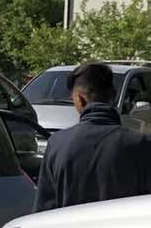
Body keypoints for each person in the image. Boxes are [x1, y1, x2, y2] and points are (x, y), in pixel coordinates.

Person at [33, 61, 151, 212]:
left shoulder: (57, 144)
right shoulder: (141, 144)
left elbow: (43, 211)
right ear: (114, 96)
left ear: (79, 99)